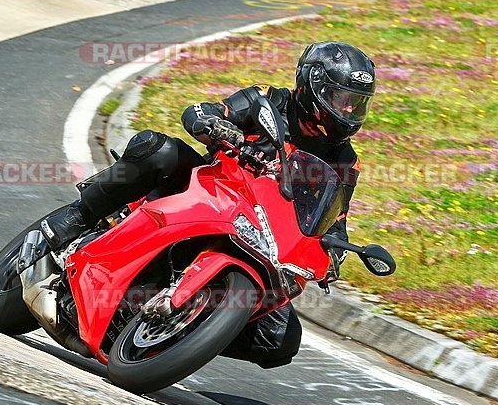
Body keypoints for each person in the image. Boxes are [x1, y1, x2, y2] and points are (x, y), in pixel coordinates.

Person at [41, 41, 375, 368]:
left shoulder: (346, 161)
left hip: (263, 235)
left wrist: (335, 251)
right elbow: (202, 112)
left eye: (357, 104)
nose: (348, 110)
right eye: (342, 99)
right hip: (209, 190)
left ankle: (181, 333)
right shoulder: (269, 102)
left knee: (280, 339)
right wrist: (215, 126)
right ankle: (79, 216)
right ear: (312, 86)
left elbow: (336, 217)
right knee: (158, 150)